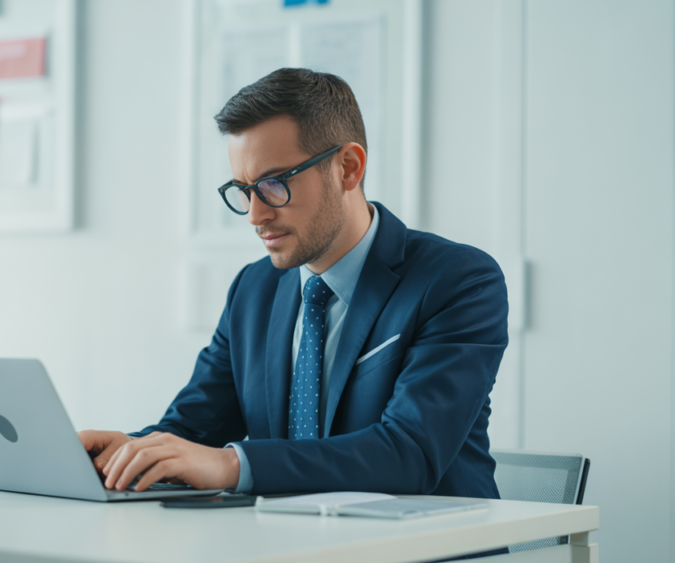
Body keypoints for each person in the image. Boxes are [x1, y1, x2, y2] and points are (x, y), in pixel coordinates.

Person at [80, 68, 508, 502]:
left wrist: (232, 464)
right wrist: (125, 453)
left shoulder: (458, 281)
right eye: (243, 190)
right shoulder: (253, 290)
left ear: (348, 168)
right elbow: (193, 431)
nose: (255, 215)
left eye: (273, 184)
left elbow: (409, 453)